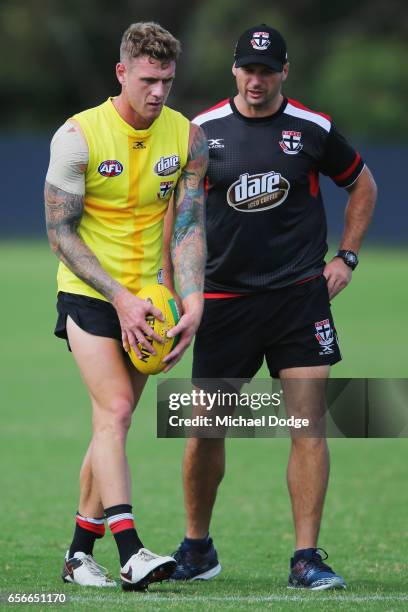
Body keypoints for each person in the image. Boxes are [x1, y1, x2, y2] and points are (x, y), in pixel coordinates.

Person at [165, 24, 377, 589]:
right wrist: (174, 288)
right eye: (247, 69)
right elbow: (180, 217)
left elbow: (362, 184)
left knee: (308, 426)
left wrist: (346, 258)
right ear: (234, 70)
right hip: (222, 302)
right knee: (204, 431)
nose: (256, 80)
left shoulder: (312, 129)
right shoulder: (201, 131)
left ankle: (306, 557)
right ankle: (196, 548)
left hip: (298, 298)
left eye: (267, 70)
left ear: (284, 72)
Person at [44, 22, 207, 590]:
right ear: (122, 73)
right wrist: (119, 299)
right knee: (113, 411)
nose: (158, 92)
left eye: (166, 80)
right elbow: (60, 232)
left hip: (153, 301)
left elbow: (187, 226)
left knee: (112, 424)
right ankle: (132, 551)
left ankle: (77, 554)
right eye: (147, 80)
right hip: (90, 292)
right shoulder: (77, 136)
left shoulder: (188, 138)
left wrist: (193, 298)